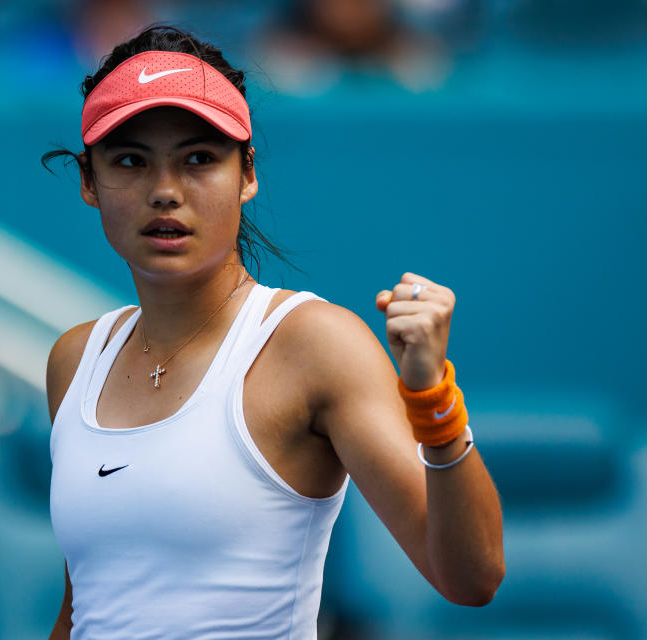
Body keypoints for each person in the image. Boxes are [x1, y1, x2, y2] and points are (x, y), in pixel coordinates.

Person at [42, 25, 504, 639]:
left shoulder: (315, 345)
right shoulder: (75, 359)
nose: (165, 192)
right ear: (88, 183)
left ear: (247, 175)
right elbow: (88, 608)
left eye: (199, 159)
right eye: (130, 160)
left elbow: (471, 579)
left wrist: (432, 400)